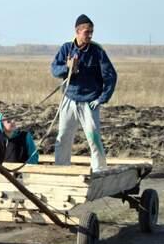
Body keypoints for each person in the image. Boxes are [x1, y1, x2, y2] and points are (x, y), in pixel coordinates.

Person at [50, 14, 117, 171]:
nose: (90, 35)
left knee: (93, 137)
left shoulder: (97, 51)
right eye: (87, 32)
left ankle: (99, 170)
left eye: (91, 32)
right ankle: (61, 169)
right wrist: (67, 68)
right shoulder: (66, 48)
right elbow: (54, 69)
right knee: (63, 137)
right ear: (77, 31)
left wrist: (103, 98)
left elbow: (111, 76)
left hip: (90, 101)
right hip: (69, 98)